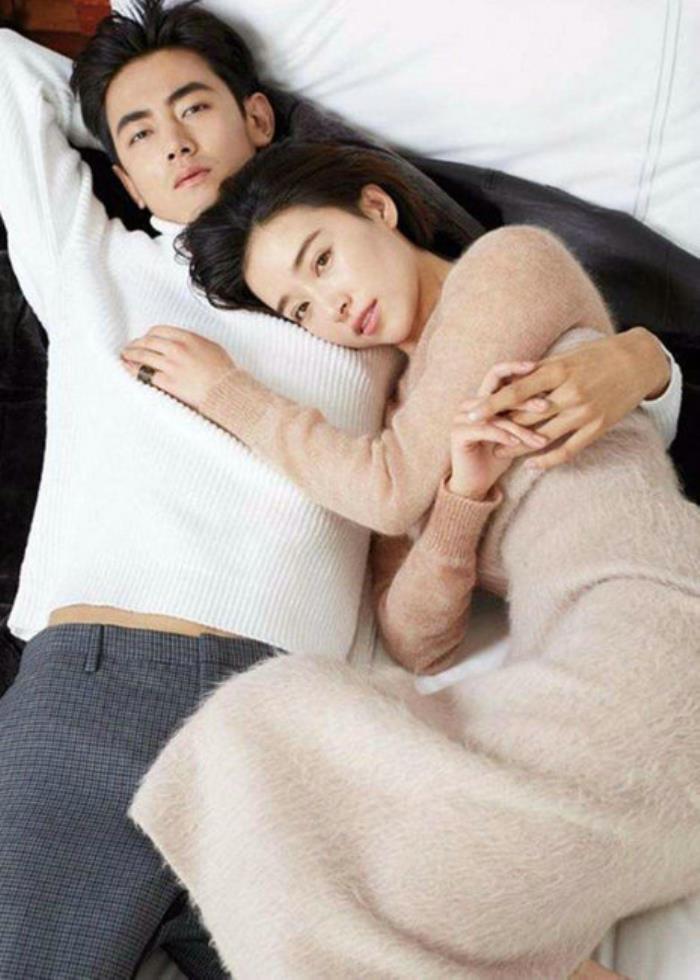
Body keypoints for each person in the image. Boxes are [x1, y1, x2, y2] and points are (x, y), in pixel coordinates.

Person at [0, 0, 685, 974]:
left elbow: (502, 392)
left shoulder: (374, 326)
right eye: (139, 135)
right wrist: (106, 51)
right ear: (119, 169)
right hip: (111, 676)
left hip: (299, 722)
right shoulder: (93, 265)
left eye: (193, 106)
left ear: (259, 116)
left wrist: (644, 360)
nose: (175, 142)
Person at [121, 141, 700, 977]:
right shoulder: (403, 429)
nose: (330, 304)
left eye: (322, 259)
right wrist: (463, 499)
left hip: (657, 632)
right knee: (250, 732)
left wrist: (227, 394)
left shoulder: (508, 267)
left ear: (377, 208)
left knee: (340, 840)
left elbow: (386, 491)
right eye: (299, 309)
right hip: (572, 687)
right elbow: (414, 639)